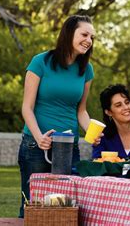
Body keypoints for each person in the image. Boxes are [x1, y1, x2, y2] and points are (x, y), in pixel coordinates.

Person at [18, 15, 97, 217]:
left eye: (92, 37)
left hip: (69, 146)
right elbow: (27, 107)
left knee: (66, 208)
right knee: (32, 206)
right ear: (69, 33)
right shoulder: (41, 62)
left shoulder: (86, 70)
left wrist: (90, 130)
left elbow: (81, 110)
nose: (89, 40)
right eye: (84, 34)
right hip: (36, 145)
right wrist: (39, 137)